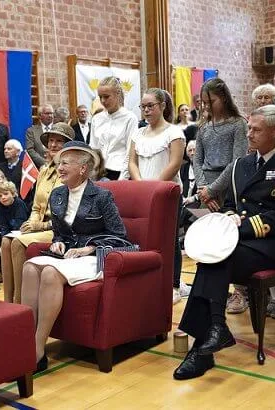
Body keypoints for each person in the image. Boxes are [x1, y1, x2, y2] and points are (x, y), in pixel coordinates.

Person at [173, 105, 275, 381]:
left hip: (272, 245)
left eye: (256, 130)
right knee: (215, 256)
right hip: (240, 244)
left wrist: (240, 227)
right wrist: (230, 217)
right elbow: (232, 205)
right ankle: (210, 337)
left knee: (217, 257)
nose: (249, 134)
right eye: (249, 128)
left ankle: (207, 341)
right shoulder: (241, 164)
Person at [21, 140, 130, 373]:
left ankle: (37, 350)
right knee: (30, 267)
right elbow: (59, 233)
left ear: (83, 168)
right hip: (68, 256)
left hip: (94, 257)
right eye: (59, 163)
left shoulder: (102, 196)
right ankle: (26, 340)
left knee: (50, 273)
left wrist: (88, 248)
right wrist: (58, 242)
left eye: (66, 163)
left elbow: (120, 235)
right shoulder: (58, 194)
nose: (59, 168)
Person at [0, 123, 71, 303]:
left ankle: (19, 304)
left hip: (59, 230)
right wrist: (31, 224)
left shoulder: (71, 172)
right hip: (39, 227)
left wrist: (39, 225)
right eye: (51, 141)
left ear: (68, 145)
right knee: (6, 241)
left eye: (59, 141)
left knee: (17, 243)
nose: (53, 145)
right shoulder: (43, 171)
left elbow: (70, 214)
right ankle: (8, 302)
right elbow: (36, 208)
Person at [128, 88, 187, 304]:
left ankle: (174, 285)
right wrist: (141, 186)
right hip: (143, 193)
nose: (146, 110)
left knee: (169, 240)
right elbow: (132, 162)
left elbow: (174, 163)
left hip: (167, 193)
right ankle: (150, 281)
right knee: (145, 239)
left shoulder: (174, 132)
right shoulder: (138, 133)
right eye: (143, 106)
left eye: (150, 106)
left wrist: (155, 187)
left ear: (162, 106)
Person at [194, 78, 248, 211]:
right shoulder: (203, 126)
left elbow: (236, 161)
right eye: (204, 103)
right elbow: (197, 159)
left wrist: (211, 190)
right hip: (205, 187)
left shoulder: (238, 123)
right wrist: (202, 187)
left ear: (223, 97)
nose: (207, 107)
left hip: (227, 184)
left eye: (211, 102)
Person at [89, 76, 138, 180]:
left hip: (120, 172)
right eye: (100, 97)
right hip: (99, 172)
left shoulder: (130, 118)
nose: (102, 101)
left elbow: (130, 153)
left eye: (106, 97)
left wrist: (122, 179)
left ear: (118, 94)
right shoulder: (96, 119)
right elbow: (93, 148)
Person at [25, 104, 55, 168]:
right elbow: (30, 150)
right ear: (40, 115)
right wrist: (44, 163)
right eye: (47, 113)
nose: (50, 116)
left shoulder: (58, 129)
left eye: (51, 113)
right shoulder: (31, 131)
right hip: (40, 167)